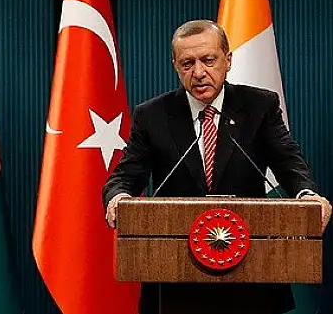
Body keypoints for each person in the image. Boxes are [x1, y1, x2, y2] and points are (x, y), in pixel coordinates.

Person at [102, 19, 331, 314]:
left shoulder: (259, 106)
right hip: (175, 279)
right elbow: (126, 175)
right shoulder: (152, 115)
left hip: (251, 275)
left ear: (228, 60)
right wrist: (118, 198)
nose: (198, 73)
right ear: (175, 66)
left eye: (208, 60)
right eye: (188, 63)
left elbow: (288, 161)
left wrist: (307, 194)